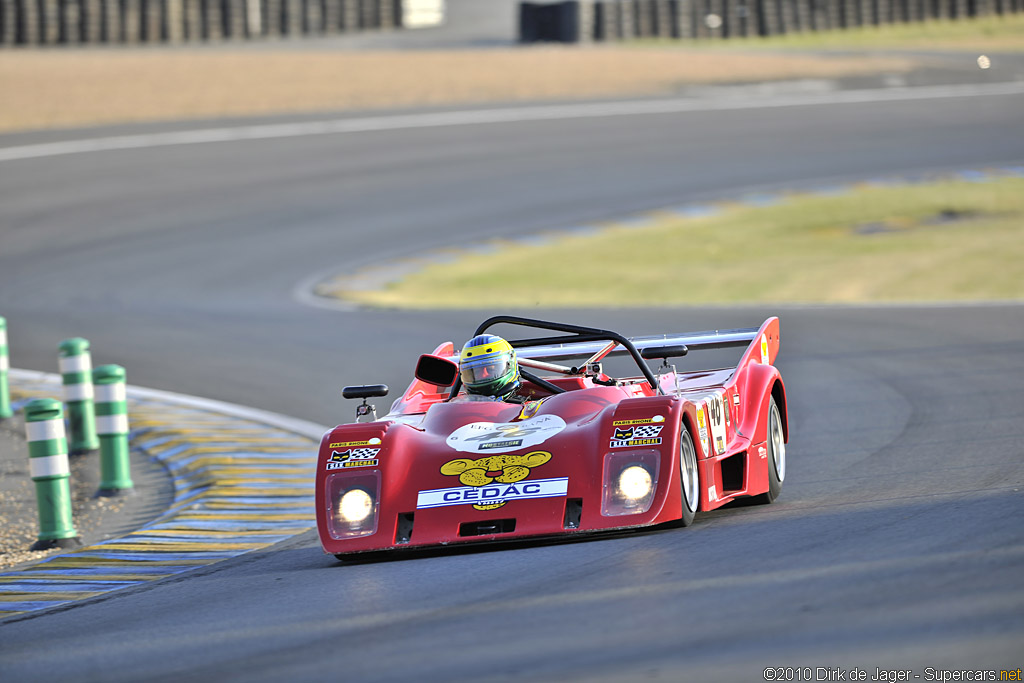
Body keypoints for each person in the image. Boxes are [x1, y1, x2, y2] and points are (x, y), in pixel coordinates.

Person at [459, 334, 522, 401]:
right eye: (476, 372)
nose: (483, 375)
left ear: (510, 366)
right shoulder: (459, 406)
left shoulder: (526, 408)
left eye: (490, 370)